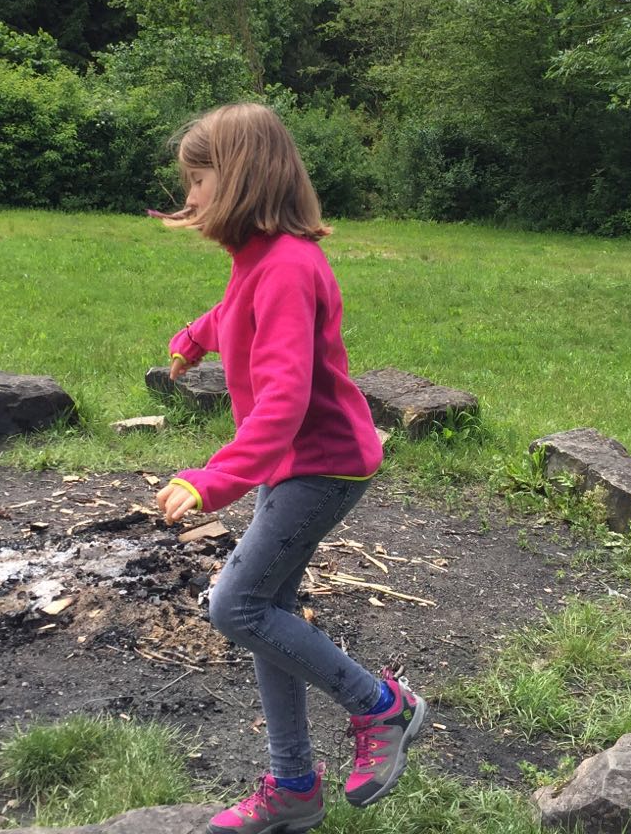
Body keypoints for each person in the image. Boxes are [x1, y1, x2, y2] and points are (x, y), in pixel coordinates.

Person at [152, 102, 427, 834]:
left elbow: (282, 401)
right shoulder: (261, 259)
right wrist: (195, 337)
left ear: (241, 177)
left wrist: (212, 479)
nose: (190, 196)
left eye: (199, 180)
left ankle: (381, 706)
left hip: (321, 466)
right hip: (296, 463)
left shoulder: (287, 267)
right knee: (264, 615)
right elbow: (236, 311)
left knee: (235, 607)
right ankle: (294, 787)